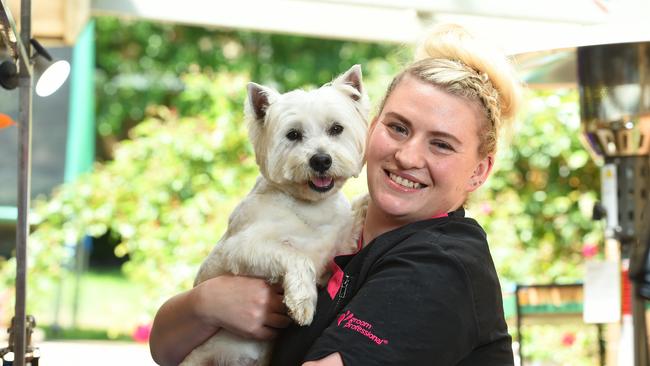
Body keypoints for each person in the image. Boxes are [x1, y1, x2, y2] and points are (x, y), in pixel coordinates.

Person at [150, 23, 521, 366]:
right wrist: (206, 303)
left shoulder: (441, 264)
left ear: (479, 171)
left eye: (441, 144)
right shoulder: (347, 232)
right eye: (398, 128)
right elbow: (165, 348)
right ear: (370, 126)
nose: (407, 156)